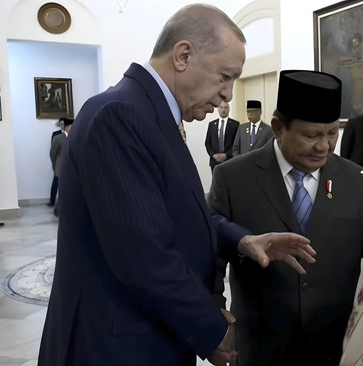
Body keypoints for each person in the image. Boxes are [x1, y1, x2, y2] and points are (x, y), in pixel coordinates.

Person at [38, 5, 316, 366]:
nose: (228, 95)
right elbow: (144, 256)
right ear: (184, 55)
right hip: (115, 348)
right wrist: (214, 332)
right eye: (224, 77)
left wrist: (243, 241)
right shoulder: (120, 116)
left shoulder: (150, 114)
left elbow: (174, 213)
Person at [208, 70, 363, 366]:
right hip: (259, 346)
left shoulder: (357, 181)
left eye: (332, 133)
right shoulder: (233, 178)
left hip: (336, 347)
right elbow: (210, 257)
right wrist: (215, 316)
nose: (324, 146)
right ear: (278, 128)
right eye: (311, 135)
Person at [49, 118, 73, 217]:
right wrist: (55, 166)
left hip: (71, 168)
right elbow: (52, 154)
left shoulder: (75, 137)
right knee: (62, 189)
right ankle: (57, 209)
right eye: (71, 126)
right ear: (66, 127)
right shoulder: (58, 138)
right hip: (61, 168)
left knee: (69, 189)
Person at [205, 101, 239, 171]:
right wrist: (213, 155)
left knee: (229, 181)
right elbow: (207, 143)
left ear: (229, 110)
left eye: (225, 108)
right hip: (214, 162)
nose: (223, 110)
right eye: (221, 107)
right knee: (216, 182)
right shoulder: (211, 124)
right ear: (218, 109)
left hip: (229, 161)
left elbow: (237, 143)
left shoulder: (235, 124)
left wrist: (226, 155)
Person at [47, 118, 65, 207]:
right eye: (61, 123)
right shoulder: (56, 134)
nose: (63, 125)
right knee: (56, 181)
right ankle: (52, 200)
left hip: (67, 162)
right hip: (59, 162)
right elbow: (53, 150)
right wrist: (54, 164)